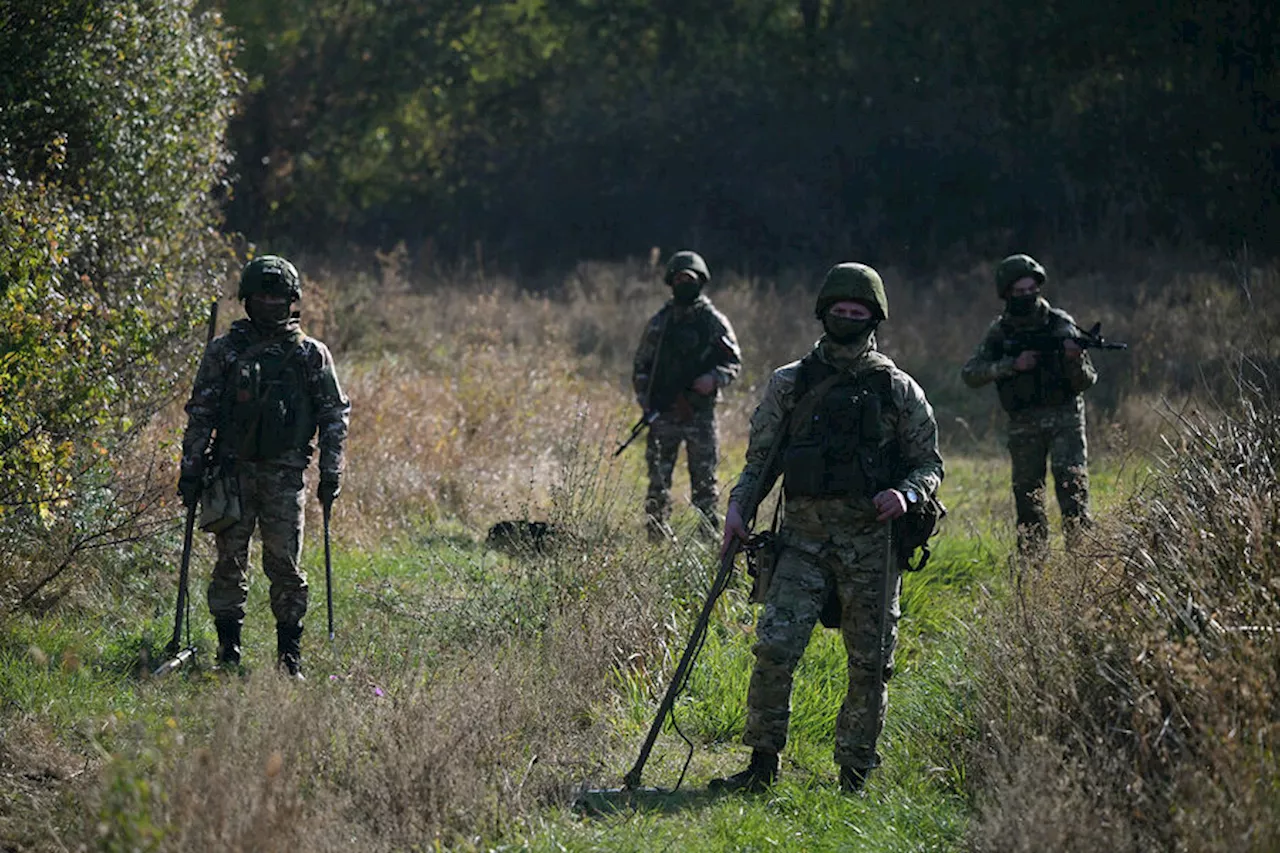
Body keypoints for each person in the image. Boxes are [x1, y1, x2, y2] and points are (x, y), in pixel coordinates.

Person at [714, 263, 943, 794]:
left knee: (870, 665)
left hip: (872, 544)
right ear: (823, 314)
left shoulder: (898, 389)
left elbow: (929, 463)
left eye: (856, 313)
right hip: (801, 541)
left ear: (874, 319)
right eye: (837, 311)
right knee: (774, 648)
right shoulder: (790, 384)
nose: (846, 319)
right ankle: (760, 767)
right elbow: (760, 463)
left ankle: (854, 776)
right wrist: (738, 509)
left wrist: (906, 494)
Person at [177, 255, 350, 678]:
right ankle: (228, 652)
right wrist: (191, 469)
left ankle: (289, 659)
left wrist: (332, 471)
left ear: (292, 301)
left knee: (286, 567)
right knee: (228, 564)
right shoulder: (223, 352)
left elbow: (333, 415)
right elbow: (201, 413)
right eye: (261, 296)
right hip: (231, 474)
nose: (270, 304)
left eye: (278, 297)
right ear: (246, 300)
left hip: (285, 475)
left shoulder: (311, 354)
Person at [960, 253, 1096, 556]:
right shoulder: (1000, 332)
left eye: (1031, 290)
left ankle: (1084, 564)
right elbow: (970, 373)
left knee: (1073, 493)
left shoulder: (1061, 325)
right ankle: (1033, 572)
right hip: (1024, 425)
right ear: (1006, 294)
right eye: (1019, 293)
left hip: (1065, 420)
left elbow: (1086, 381)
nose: (1026, 297)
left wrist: (1074, 360)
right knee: (1028, 501)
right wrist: (1011, 365)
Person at [632, 250, 741, 541]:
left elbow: (733, 362)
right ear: (671, 281)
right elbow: (641, 365)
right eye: (679, 278)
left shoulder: (713, 321)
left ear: (701, 281)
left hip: (700, 414)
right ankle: (656, 535)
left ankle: (709, 536)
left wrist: (713, 378)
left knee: (705, 480)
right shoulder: (660, 322)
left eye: (690, 278)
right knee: (658, 479)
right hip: (663, 412)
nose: (684, 283)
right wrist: (646, 399)